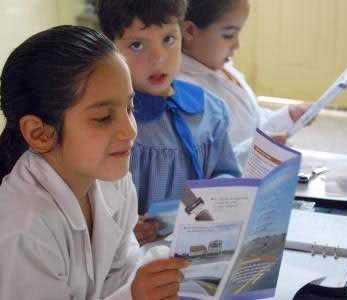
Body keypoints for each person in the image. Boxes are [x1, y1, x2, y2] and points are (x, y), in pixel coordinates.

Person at [0, 25, 188, 300]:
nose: (130, 130)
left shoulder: (114, 183)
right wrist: (133, 296)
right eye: (103, 118)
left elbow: (121, 270)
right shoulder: (23, 232)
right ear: (40, 133)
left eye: (130, 108)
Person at [97, 0, 241, 245]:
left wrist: (220, 196)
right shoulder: (109, 123)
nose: (158, 58)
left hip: (203, 247)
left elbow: (225, 173)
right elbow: (93, 197)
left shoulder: (211, 110)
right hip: (134, 260)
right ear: (111, 49)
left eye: (168, 39)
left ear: (183, 34)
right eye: (137, 44)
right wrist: (123, 224)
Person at [178, 0, 312, 167]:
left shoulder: (224, 68)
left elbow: (250, 123)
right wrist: (257, 149)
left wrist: (289, 115)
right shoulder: (184, 90)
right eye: (228, 35)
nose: (237, 45)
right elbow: (207, 163)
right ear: (189, 31)